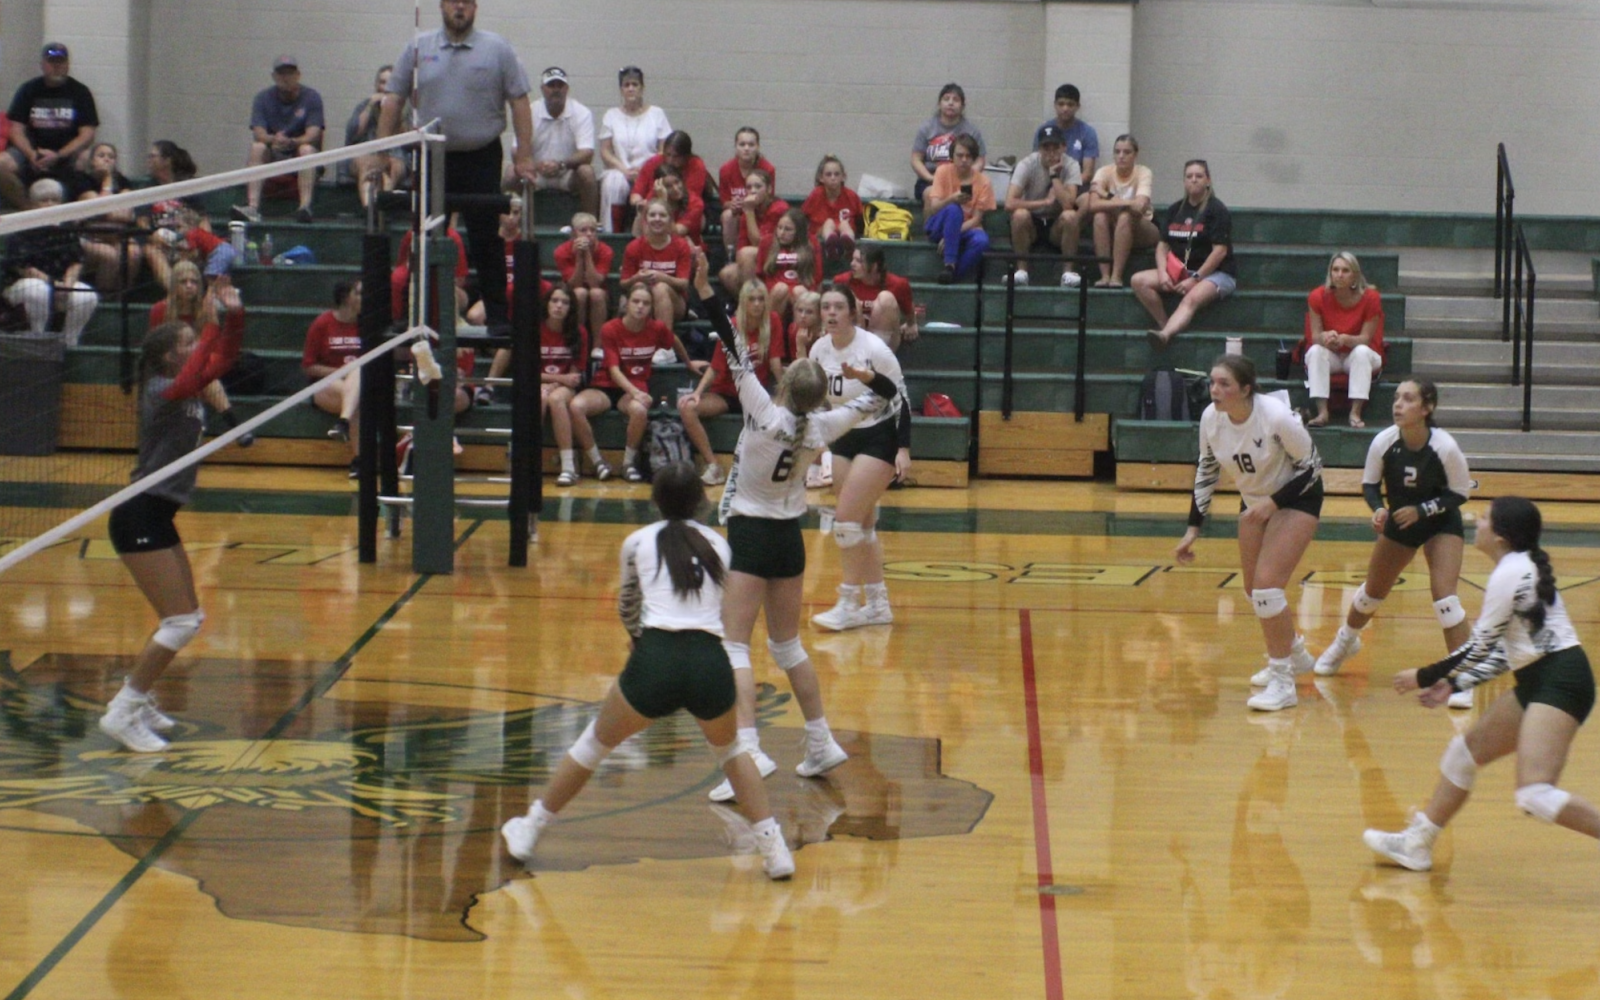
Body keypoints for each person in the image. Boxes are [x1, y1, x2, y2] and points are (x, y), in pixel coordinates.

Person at [498, 462, 796, 881]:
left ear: (655, 501)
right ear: (701, 501)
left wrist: (639, 642)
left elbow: (628, 605)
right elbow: (718, 612)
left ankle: (530, 830)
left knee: (593, 745)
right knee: (731, 753)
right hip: (710, 660)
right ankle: (776, 851)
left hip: (657, 655)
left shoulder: (637, 542)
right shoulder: (720, 545)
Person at [685, 256, 900, 804]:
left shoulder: (762, 412)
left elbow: (733, 345)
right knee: (788, 646)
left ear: (783, 388)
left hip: (754, 533)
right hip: (791, 539)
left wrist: (708, 289)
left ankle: (751, 748)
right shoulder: (824, 425)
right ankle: (820, 740)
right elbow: (885, 398)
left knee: (734, 644)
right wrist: (861, 377)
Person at [1362, 496, 1599, 874]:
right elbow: (1507, 655)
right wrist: (1454, 685)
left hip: (1561, 682)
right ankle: (1417, 844)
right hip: (1541, 678)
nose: (1476, 520)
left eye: (1485, 517)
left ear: (1502, 535)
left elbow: (1477, 645)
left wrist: (1425, 676)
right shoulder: (1518, 569)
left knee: (1535, 793)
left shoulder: (1510, 573)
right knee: (1463, 753)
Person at [98, 320, 233, 752]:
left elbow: (221, 361)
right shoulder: (161, 389)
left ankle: (139, 698)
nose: (196, 349)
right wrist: (212, 325)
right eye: (187, 344)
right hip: (139, 516)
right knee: (181, 623)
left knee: (184, 618)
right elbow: (197, 372)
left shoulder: (188, 386)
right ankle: (123, 710)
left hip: (158, 516)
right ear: (168, 357)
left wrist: (232, 316)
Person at [1174, 354, 1323, 713]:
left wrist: (1274, 503)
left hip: (1297, 497)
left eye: (1224, 384)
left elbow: (1313, 468)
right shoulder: (1211, 419)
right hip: (1255, 500)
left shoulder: (1274, 416)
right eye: (1212, 382)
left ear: (1246, 389)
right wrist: (1194, 526)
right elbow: (1206, 469)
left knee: (1269, 587)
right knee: (1254, 591)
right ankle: (1296, 653)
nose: (1214, 390)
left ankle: (1283, 681)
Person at [1315, 379, 1476, 710]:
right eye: (1396, 398)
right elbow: (1370, 485)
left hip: (1440, 523)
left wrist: (1422, 510)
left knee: (1445, 598)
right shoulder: (1384, 442)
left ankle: (1462, 676)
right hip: (1400, 524)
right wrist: (1378, 510)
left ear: (1426, 408)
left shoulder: (1444, 447)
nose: (1398, 404)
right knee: (1372, 592)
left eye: (1408, 398)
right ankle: (1345, 641)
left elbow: (1460, 492)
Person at [380, 0, 536, 334]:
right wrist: (380, 153)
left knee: (485, 239)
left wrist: (524, 157)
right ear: (442, 6)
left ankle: (497, 317)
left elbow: (520, 101)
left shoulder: (498, 48)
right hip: (431, 156)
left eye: (466, 2)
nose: (460, 7)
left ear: (475, 7)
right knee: (421, 237)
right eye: (454, 2)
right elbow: (393, 98)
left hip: (481, 155)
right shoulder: (419, 46)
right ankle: (412, 314)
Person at [809, 283, 912, 631]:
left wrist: (903, 448)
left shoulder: (873, 349)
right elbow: (814, 399)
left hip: (878, 436)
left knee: (846, 522)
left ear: (853, 312)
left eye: (839, 307)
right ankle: (879, 604)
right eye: (826, 307)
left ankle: (849, 602)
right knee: (862, 528)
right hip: (842, 439)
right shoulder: (819, 350)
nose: (831, 313)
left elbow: (901, 397)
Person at [569, 280, 698, 483]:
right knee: (576, 406)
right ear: (626, 304)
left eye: (646, 303)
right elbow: (613, 370)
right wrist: (636, 393)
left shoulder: (656, 328)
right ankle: (597, 461)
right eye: (636, 301)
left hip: (633, 387)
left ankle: (628, 463)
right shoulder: (610, 328)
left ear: (651, 307)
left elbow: (673, 339)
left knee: (639, 410)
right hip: (605, 386)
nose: (640, 306)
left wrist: (689, 363)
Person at [680, 278, 784, 484]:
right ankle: (714, 465)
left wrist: (784, 394)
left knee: (783, 412)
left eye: (761, 299)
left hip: (755, 394)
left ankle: (770, 468)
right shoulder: (733, 325)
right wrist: (697, 394)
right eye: (751, 299)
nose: (756, 304)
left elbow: (775, 363)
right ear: (743, 302)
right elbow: (716, 368)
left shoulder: (772, 321)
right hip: (726, 393)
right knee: (686, 407)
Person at [1134, 159, 1236, 347]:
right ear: (1184, 181)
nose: (1194, 180)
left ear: (1208, 180)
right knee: (1138, 280)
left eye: (1199, 176)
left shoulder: (1217, 210)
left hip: (1216, 273)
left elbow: (1220, 252)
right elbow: (1162, 245)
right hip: (1182, 270)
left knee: (1191, 298)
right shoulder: (1175, 209)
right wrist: (1163, 271)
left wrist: (1196, 278)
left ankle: (1165, 336)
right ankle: (1165, 324)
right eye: (1189, 176)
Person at [150, 260, 251, 447]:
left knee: (207, 377)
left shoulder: (205, 309)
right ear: (174, 285)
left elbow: (214, 347)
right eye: (183, 282)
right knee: (204, 378)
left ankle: (229, 428)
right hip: (170, 370)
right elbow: (156, 349)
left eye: (194, 282)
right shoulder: (160, 310)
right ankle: (236, 427)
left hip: (200, 368)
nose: (189, 286)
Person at [0, 43, 98, 210]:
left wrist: (59, 154)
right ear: (43, 65)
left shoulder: (80, 92)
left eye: (61, 62)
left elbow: (87, 133)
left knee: (87, 159)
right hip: (31, 152)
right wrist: (31, 154)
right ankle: (26, 207)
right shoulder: (28, 90)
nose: (56, 66)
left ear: (67, 64)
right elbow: (15, 129)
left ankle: (75, 215)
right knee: (3, 162)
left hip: (67, 152)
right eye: (52, 62)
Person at [2, 178, 98, 347]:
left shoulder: (66, 229)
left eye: (54, 200)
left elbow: (76, 261)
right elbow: (23, 267)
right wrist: (54, 284)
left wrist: (67, 285)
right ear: (32, 204)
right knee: (37, 291)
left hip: (60, 283)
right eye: (44, 200)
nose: (50, 204)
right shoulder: (20, 228)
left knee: (86, 295)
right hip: (22, 285)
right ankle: (38, 340)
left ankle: (69, 342)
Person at [234, 55, 324, 224]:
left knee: (307, 150)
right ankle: (252, 207)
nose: (285, 78)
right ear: (274, 76)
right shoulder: (262, 98)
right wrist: (273, 139)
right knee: (257, 148)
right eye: (281, 74)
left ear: (298, 75)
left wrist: (293, 142)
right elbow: (259, 133)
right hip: (273, 151)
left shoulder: (311, 97)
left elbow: (314, 133)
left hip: (298, 151)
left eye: (289, 73)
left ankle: (304, 207)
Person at [1303, 251, 1386, 428]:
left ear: (1355, 275)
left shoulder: (1371, 298)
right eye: (1336, 270)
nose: (1339, 275)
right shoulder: (1317, 296)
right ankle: (1322, 412)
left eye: (1345, 270)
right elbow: (1315, 336)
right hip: (1332, 354)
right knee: (1315, 351)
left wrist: (1346, 339)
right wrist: (1325, 337)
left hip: (1360, 353)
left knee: (1361, 352)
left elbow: (1366, 339)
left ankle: (1355, 412)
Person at [1005, 124, 1082, 287]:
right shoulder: (1026, 164)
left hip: (1056, 223)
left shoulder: (1071, 165)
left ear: (1064, 147)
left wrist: (1054, 175)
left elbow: (1069, 204)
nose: (1051, 153)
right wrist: (1044, 202)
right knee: (1019, 214)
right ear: (1039, 149)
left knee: (1071, 216)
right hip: (1032, 221)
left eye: (1056, 147)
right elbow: (1009, 203)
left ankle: (1067, 273)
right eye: (1046, 148)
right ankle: (1021, 272)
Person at [597, 66, 672, 233]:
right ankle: (612, 233)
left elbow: (664, 151)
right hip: (621, 170)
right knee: (613, 182)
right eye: (626, 85)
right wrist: (624, 170)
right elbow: (605, 151)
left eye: (635, 84)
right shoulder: (611, 115)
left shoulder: (656, 114)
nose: (631, 88)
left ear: (642, 88)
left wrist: (645, 171)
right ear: (621, 89)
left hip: (650, 171)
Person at [531, 284, 590, 487]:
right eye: (554, 300)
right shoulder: (535, 329)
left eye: (564, 302)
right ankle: (529, 461)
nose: (558, 306)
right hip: (539, 384)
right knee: (539, 398)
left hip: (563, 387)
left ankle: (568, 467)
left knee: (556, 399)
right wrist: (550, 381)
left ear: (571, 308)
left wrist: (555, 382)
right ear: (546, 304)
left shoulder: (579, 332)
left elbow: (573, 378)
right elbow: (527, 372)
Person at [304, 280, 366, 475]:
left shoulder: (367, 324)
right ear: (348, 298)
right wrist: (342, 372)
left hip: (359, 385)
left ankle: (344, 423)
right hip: (326, 387)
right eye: (359, 294)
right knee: (355, 378)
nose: (365, 298)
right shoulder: (322, 323)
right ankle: (358, 462)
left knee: (358, 376)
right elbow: (309, 367)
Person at [1084, 134, 1156, 288]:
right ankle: (1104, 275)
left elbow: (1140, 206)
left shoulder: (1143, 172)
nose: (1121, 156)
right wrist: (1126, 202)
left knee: (1125, 216)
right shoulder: (1104, 171)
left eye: (1126, 152)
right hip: (1112, 227)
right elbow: (1092, 205)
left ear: (1135, 154)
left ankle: (1116, 276)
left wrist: (1106, 195)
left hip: (1142, 226)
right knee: (1099, 216)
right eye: (1117, 152)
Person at [922, 134, 994, 285]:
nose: (964, 160)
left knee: (982, 241)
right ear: (952, 156)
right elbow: (934, 208)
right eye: (960, 155)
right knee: (954, 209)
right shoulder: (942, 171)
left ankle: (951, 275)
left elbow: (976, 219)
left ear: (974, 158)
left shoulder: (984, 182)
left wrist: (952, 233)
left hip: (966, 228)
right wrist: (951, 199)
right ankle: (950, 264)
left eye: (968, 156)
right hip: (939, 223)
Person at [71, 142, 143, 293]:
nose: (107, 160)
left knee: (133, 253)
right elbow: (99, 208)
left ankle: (121, 295)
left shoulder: (123, 182)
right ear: (92, 161)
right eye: (101, 155)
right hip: (89, 237)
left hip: (118, 235)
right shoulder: (82, 180)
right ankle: (105, 298)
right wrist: (108, 181)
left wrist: (107, 213)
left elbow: (125, 214)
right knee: (110, 255)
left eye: (111, 157)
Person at [525, 67, 598, 216]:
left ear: (567, 89)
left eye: (560, 85)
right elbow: (516, 150)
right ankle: (510, 226)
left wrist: (561, 165)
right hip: (536, 174)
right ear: (542, 89)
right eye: (551, 86)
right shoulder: (529, 112)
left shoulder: (581, 112)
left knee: (587, 173)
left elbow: (587, 153)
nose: (556, 90)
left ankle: (590, 224)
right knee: (510, 174)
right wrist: (537, 166)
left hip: (568, 174)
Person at [620, 199, 693, 325]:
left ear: (670, 220)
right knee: (638, 288)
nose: (657, 219)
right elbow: (624, 284)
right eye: (652, 215)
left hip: (675, 302)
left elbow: (684, 284)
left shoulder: (681, 246)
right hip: (643, 299)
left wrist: (662, 277)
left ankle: (664, 343)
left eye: (662, 215)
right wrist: (637, 278)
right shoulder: (634, 247)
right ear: (645, 219)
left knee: (660, 288)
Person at [140, 140, 201, 291]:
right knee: (150, 251)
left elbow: (203, 220)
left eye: (152, 156)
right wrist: (152, 235)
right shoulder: (148, 188)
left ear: (167, 160)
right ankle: (175, 295)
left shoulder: (187, 186)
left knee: (191, 253)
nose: (149, 160)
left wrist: (195, 239)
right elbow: (142, 220)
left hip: (185, 238)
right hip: (159, 242)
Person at [910, 83, 985, 202]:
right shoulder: (926, 128)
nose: (951, 103)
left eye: (956, 100)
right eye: (946, 99)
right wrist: (930, 178)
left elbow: (980, 160)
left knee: (967, 198)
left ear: (962, 106)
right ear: (939, 104)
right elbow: (916, 159)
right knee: (931, 194)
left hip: (962, 180)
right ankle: (931, 222)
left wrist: (966, 178)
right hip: (930, 180)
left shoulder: (972, 131)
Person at [834, 245, 917, 351]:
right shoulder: (842, 281)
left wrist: (912, 324)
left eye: (859, 261)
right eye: (852, 259)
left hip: (884, 340)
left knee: (886, 298)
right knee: (851, 299)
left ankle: (878, 357)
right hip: (853, 335)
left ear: (874, 267)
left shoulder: (898, 284)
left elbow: (908, 309)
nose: (852, 264)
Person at [720, 167, 788, 294]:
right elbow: (741, 246)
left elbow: (760, 244)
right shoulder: (748, 210)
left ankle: (751, 303)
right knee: (727, 273)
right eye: (749, 187)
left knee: (747, 254)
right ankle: (747, 304)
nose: (753, 191)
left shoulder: (778, 208)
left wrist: (749, 211)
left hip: (780, 257)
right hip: (756, 259)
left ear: (769, 189)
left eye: (758, 187)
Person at [347, 65, 406, 208]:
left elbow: (405, 137)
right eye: (382, 82)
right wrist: (370, 105)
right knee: (369, 166)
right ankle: (370, 210)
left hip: (395, 157)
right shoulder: (364, 105)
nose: (385, 88)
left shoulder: (405, 108)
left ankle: (381, 208)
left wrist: (392, 110)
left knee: (389, 170)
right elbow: (354, 134)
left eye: (389, 83)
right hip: (365, 156)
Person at [1033, 83, 1100, 209]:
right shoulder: (1043, 130)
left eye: (1070, 104)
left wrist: (1065, 186)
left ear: (1077, 107)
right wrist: (1053, 183)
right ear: (1055, 105)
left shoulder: (1087, 132)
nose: (1065, 108)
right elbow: (1037, 162)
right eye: (1061, 104)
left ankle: (1074, 226)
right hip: (1046, 182)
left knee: (1087, 200)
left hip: (1077, 184)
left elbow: (1087, 173)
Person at [552, 211, 613, 343]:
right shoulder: (561, 251)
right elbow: (574, 284)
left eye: (593, 230)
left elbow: (595, 283)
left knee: (596, 293)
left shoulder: (606, 250)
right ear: (574, 233)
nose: (589, 234)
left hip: (601, 295)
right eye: (583, 230)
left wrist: (587, 255)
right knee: (579, 293)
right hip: (573, 291)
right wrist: (579, 257)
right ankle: (578, 341)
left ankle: (598, 345)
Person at [718, 127, 776, 255]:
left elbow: (769, 198)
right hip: (737, 213)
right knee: (727, 216)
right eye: (742, 144)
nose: (746, 148)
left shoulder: (768, 169)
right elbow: (724, 201)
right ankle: (731, 257)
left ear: (758, 147)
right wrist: (731, 204)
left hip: (759, 212)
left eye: (751, 144)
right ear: (736, 146)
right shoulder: (725, 170)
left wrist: (749, 206)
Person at [630, 131, 710, 222]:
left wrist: (663, 199)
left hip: (683, 211)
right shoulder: (653, 162)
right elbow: (636, 194)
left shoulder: (696, 165)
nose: (670, 160)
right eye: (667, 155)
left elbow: (685, 198)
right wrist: (639, 204)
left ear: (686, 156)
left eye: (676, 157)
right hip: (652, 208)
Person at [757, 208, 821, 319]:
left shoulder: (811, 243)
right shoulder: (767, 242)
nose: (781, 233)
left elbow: (817, 276)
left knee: (799, 291)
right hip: (774, 290)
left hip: (801, 287)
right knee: (781, 289)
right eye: (779, 228)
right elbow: (760, 275)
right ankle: (771, 330)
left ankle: (802, 333)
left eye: (788, 229)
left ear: (799, 232)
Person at [801, 154, 863, 266]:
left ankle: (849, 245)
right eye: (828, 174)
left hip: (845, 231)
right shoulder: (816, 195)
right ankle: (831, 246)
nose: (833, 178)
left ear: (843, 176)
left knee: (844, 224)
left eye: (837, 174)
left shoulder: (851, 196)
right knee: (829, 223)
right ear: (821, 178)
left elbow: (860, 221)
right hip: (821, 233)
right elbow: (802, 217)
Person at [630, 162, 704, 247]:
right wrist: (641, 213)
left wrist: (663, 203)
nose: (676, 189)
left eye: (677, 182)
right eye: (668, 186)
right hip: (656, 245)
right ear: (659, 187)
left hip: (687, 248)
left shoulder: (695, 202)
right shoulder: (654, 196)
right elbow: (640, 233)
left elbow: (676, 234)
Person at [784, 289, 823, 374]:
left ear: (819, 314)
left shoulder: (825, 334)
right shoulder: (793, 329)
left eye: (809, 312)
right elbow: (799, 368)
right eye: (800, 310)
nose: (803, 316)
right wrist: (800, 345)